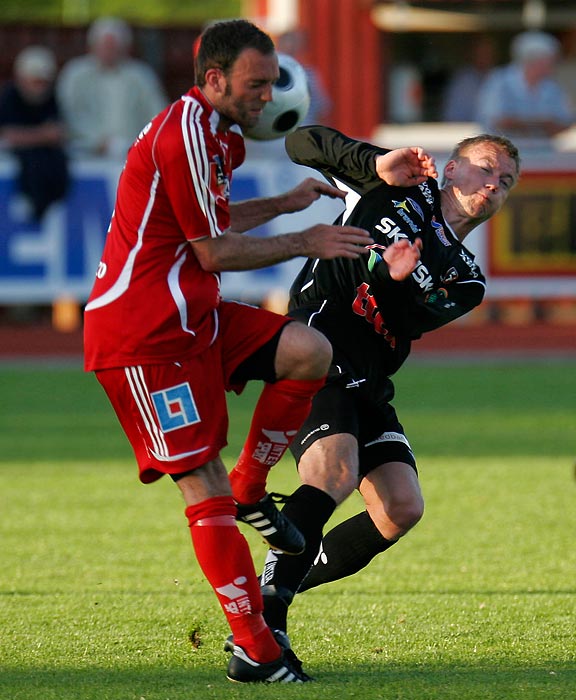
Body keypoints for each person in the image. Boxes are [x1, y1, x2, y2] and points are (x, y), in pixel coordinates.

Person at [83, 19, 374, 684]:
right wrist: (307, 239)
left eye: (272, 84)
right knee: (200, 483)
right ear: (212, 79)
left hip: (192, 315)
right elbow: (213, 251)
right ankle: (256, 651)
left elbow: (208, 223)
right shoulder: (183, 131)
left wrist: (287, 203)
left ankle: (252, 489)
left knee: (308, 351)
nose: (267, 97)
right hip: (143, 336)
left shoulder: (214, 135)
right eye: (256, 84)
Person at [251, 125, 520, 676]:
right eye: (486, 168)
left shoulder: (466, 278)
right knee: (334, 473)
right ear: (451, 168)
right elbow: (300, 142)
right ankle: (262, 632)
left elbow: (405, 320)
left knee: (402, 508)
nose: (494, 185)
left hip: (368, 378)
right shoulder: (396, 185)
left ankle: (270, 591)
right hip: (317, 346)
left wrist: (394, 280)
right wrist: (374, 161)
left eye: (507, 181)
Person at [57, 16, 167, 159]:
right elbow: (67, 113)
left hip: (134, 153)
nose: (108, 51)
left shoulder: (141, 76)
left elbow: (159, 115)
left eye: (114, 46)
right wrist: (96, 141)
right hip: (84, 154)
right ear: (92, 46)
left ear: (125, 48)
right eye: (104, 45)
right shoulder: (75, 74)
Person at [0, 45, 69, 221]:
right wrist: (41, 136)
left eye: (43, 82)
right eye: (35, 81)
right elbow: (8, 135)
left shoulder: (52, 98)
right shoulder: (9, 98)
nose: (40, 87)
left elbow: (58, 132)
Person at [477, 30, 573, 144]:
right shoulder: (499, 81)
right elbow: (496, 120)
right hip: (504, 153)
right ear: (534, 60)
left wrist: (524, 122)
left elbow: (566, 122)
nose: (554, 65)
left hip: (543, 153)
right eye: (550, 60)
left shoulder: (552, 87)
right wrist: (542, 123)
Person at [442, 35, 496, 122]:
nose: (485, 56)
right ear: (472, 54)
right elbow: (452, 116)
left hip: (494, 132)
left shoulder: (499, 77)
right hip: (466, 131)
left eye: (488, 52)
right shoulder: (462, 81)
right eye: (481, 52)